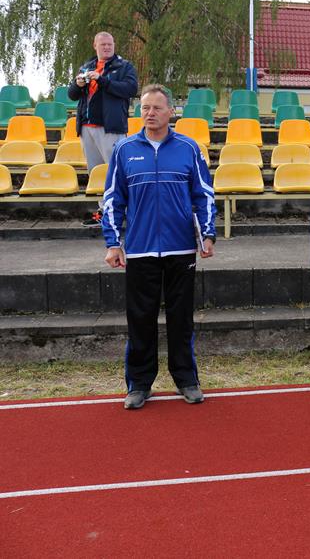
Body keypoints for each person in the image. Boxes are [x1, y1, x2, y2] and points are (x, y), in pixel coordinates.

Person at [101, 84, 216, 410]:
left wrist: (207, 234)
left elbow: (204, 194)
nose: (149, 113)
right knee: (140, 320)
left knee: (181, 319)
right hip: (140, 250)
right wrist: (113, 243)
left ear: (171, 112)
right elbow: (112, 199)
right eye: (145, 108)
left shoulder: (189, 148)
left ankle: (186, 379)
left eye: (156, 108)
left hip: (181, 249)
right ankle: (139, 384)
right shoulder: (124, 150)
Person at [68, 32, 139, 227]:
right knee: (96, 173)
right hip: (87, 127)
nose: (107, 47)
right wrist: (77, 84)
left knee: (117, 171)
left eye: (110, 44)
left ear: (114, 45)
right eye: (103, 45)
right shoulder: (86, 66)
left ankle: (124, 211)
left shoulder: (124, 66)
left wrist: (102, 80)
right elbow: (72, 95)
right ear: (95, 46)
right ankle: (104, 211)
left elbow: (131, 89)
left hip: (111, 128)